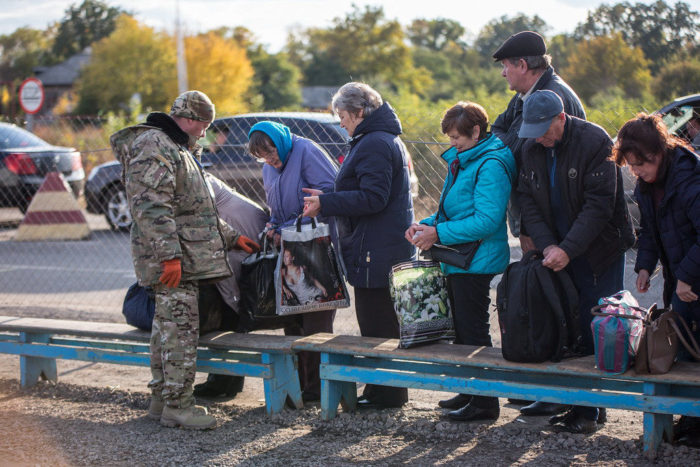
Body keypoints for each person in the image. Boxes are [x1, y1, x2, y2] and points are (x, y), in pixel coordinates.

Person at [110, 90, 260, 430]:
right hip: (175, 262)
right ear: (191, 119)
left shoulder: (178, 148)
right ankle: (179, 406)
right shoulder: (156, 146)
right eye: (205, 124)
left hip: (182, 258)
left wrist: (233, 237)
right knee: (180, 332)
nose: (206, 131)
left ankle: (161, 400)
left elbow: (195, 210)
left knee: (167, 330)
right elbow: (150, 207)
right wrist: (170, 258)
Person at [517, 90, 635, 433]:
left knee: (595, 325)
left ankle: (591, 409)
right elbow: (529, 202)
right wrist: (549, 245)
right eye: (533, 129)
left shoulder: (595, 141)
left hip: (599, 251)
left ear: (561, 118)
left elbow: (599, 205)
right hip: (558, 249)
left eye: (544, 128)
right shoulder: (531, 147)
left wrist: (567, 248)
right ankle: (577, 404)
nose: (539, 136)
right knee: (567, 327)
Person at [303, 82, 416, 409]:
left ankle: (386, 394)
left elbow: (373, 197)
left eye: (343, 115)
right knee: (378, 323)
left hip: (376, 249)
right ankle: (385, 390)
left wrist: (327, 202)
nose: (340, 122)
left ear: (360, 111)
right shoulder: (377, 139)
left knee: (377, 326)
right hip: (378, 245)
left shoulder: (375, 143)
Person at [405, 102, 515, 422]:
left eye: (456, 136)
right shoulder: (467, 160)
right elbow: (454, 211)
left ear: (476, 131)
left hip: (475, 261)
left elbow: (486, 220)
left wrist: (437, 233)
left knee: (473, 331)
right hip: (461, 257)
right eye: (450, 137)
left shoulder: (490, 163)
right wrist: (424, 225)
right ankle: (471, 392)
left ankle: (484, 403)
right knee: (462, 332)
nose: (452, 142)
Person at [613, 113, 700, 446]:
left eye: (640, 164)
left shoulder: (691, 181)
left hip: (690, 276)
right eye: (632, 166)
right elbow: (650, 230)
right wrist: (645, 267)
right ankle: (690, 421)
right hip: (683, 277)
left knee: (694, 349)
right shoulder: (649, 185)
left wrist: (686, 278)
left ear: (658, 153)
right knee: (686, 348)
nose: (636, 172)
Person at [247, 120, 338, 403]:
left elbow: (328, 195)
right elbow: (274, 206)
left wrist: (287, 224)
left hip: (315, 248)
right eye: (263, 157)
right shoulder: (268, 167)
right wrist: (274, 225)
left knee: (316, 318)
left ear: (281, 142)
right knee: (292, 317)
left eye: (271, 153)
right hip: (287, 247)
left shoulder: (306, 151)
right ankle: (297, 386)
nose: (270, 161)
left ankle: (319, 388)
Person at [491, 30, 585, 257]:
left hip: (551, 224)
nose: (503, 73)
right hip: (540, 218)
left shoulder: (549, 97)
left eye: (506, 66)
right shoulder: (525, 94)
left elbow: (520, 154)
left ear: (522, 65)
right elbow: (496, 130)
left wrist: (530, 228)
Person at [193, 173, 270, 399]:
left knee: (230, 308)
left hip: (240, 238)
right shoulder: (196, 174)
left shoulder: (195, 179)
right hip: (233, 237)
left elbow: (203, 219)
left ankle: (224, 380)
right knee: (227, 309)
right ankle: (224, 380)